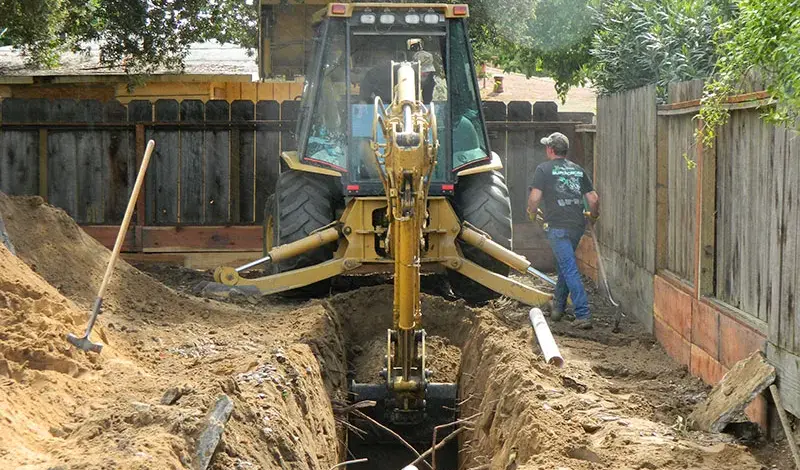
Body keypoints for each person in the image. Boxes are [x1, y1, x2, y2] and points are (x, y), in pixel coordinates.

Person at [527, 132, 600, 329]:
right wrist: (593, 216)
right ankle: (558, 307)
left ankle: (583, 314)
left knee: (568, 268)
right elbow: (593, 199)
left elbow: (534, 199)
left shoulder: (543, 169)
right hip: (576, 225)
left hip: (557, 227)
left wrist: (532, 214)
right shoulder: (577, 170)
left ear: (550, 149)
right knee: (564, 266)